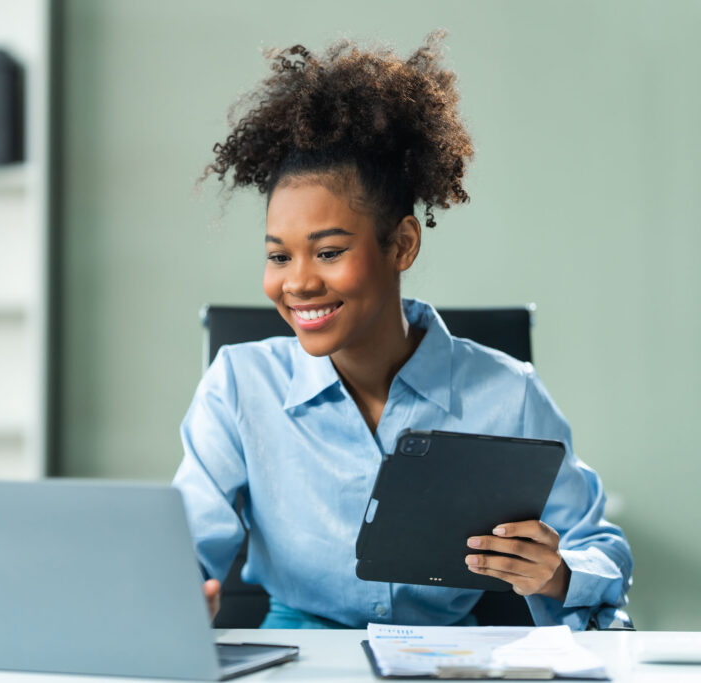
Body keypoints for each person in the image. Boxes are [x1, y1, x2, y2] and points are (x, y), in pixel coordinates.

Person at [172, 32, 632, 630]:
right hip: (296, 661)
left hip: (449, 665)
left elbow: (600, 546)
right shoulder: (238, 386)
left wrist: (558, 573)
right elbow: (184, 546)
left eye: (329, 251)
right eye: (279, 257)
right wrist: (177, 591)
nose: (299, 283)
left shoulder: (508, 394)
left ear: (402, 244)